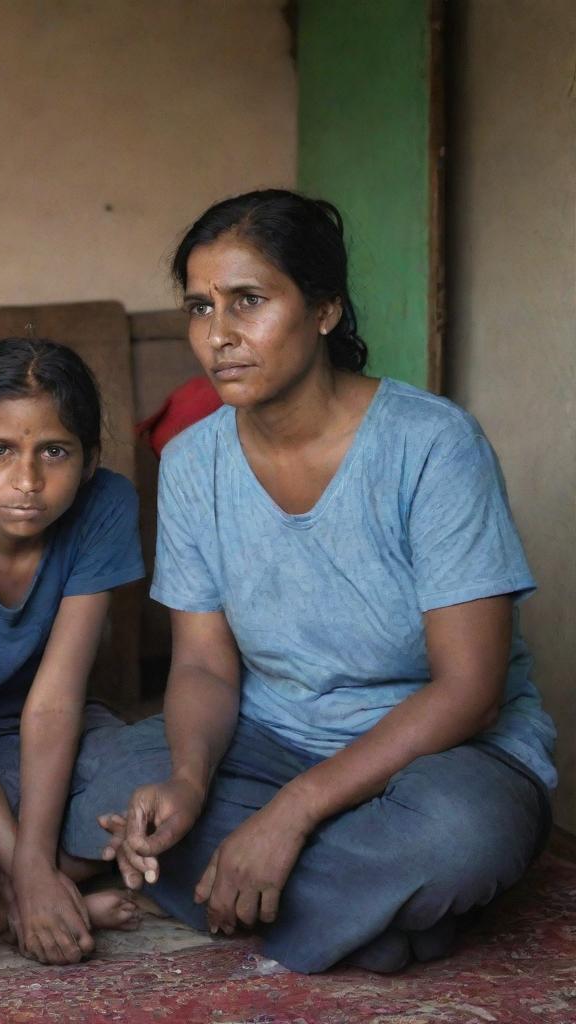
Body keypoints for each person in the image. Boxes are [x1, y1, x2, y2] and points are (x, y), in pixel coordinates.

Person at [93, 190, 556, 973]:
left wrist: (291, 815)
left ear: (325, 310)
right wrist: (187, 777)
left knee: (458, 836)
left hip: (438, 757)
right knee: (101, 775)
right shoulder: (192, 461)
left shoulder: (433, 446)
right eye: (200, 308)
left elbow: (470, 691)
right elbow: (204, 664)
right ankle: (378, 925)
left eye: (249, 301)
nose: (220, 336)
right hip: (271, 738)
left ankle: (274, 889)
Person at [0, 338, 154, 967]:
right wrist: (31, 875)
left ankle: (24, 896)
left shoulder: (106, 504)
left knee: (168, 768)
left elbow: (55, 702)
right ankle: (46, 896)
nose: (28, 481)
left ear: (90, 459)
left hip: (60, 731)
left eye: (55, 451)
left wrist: (32, 866)